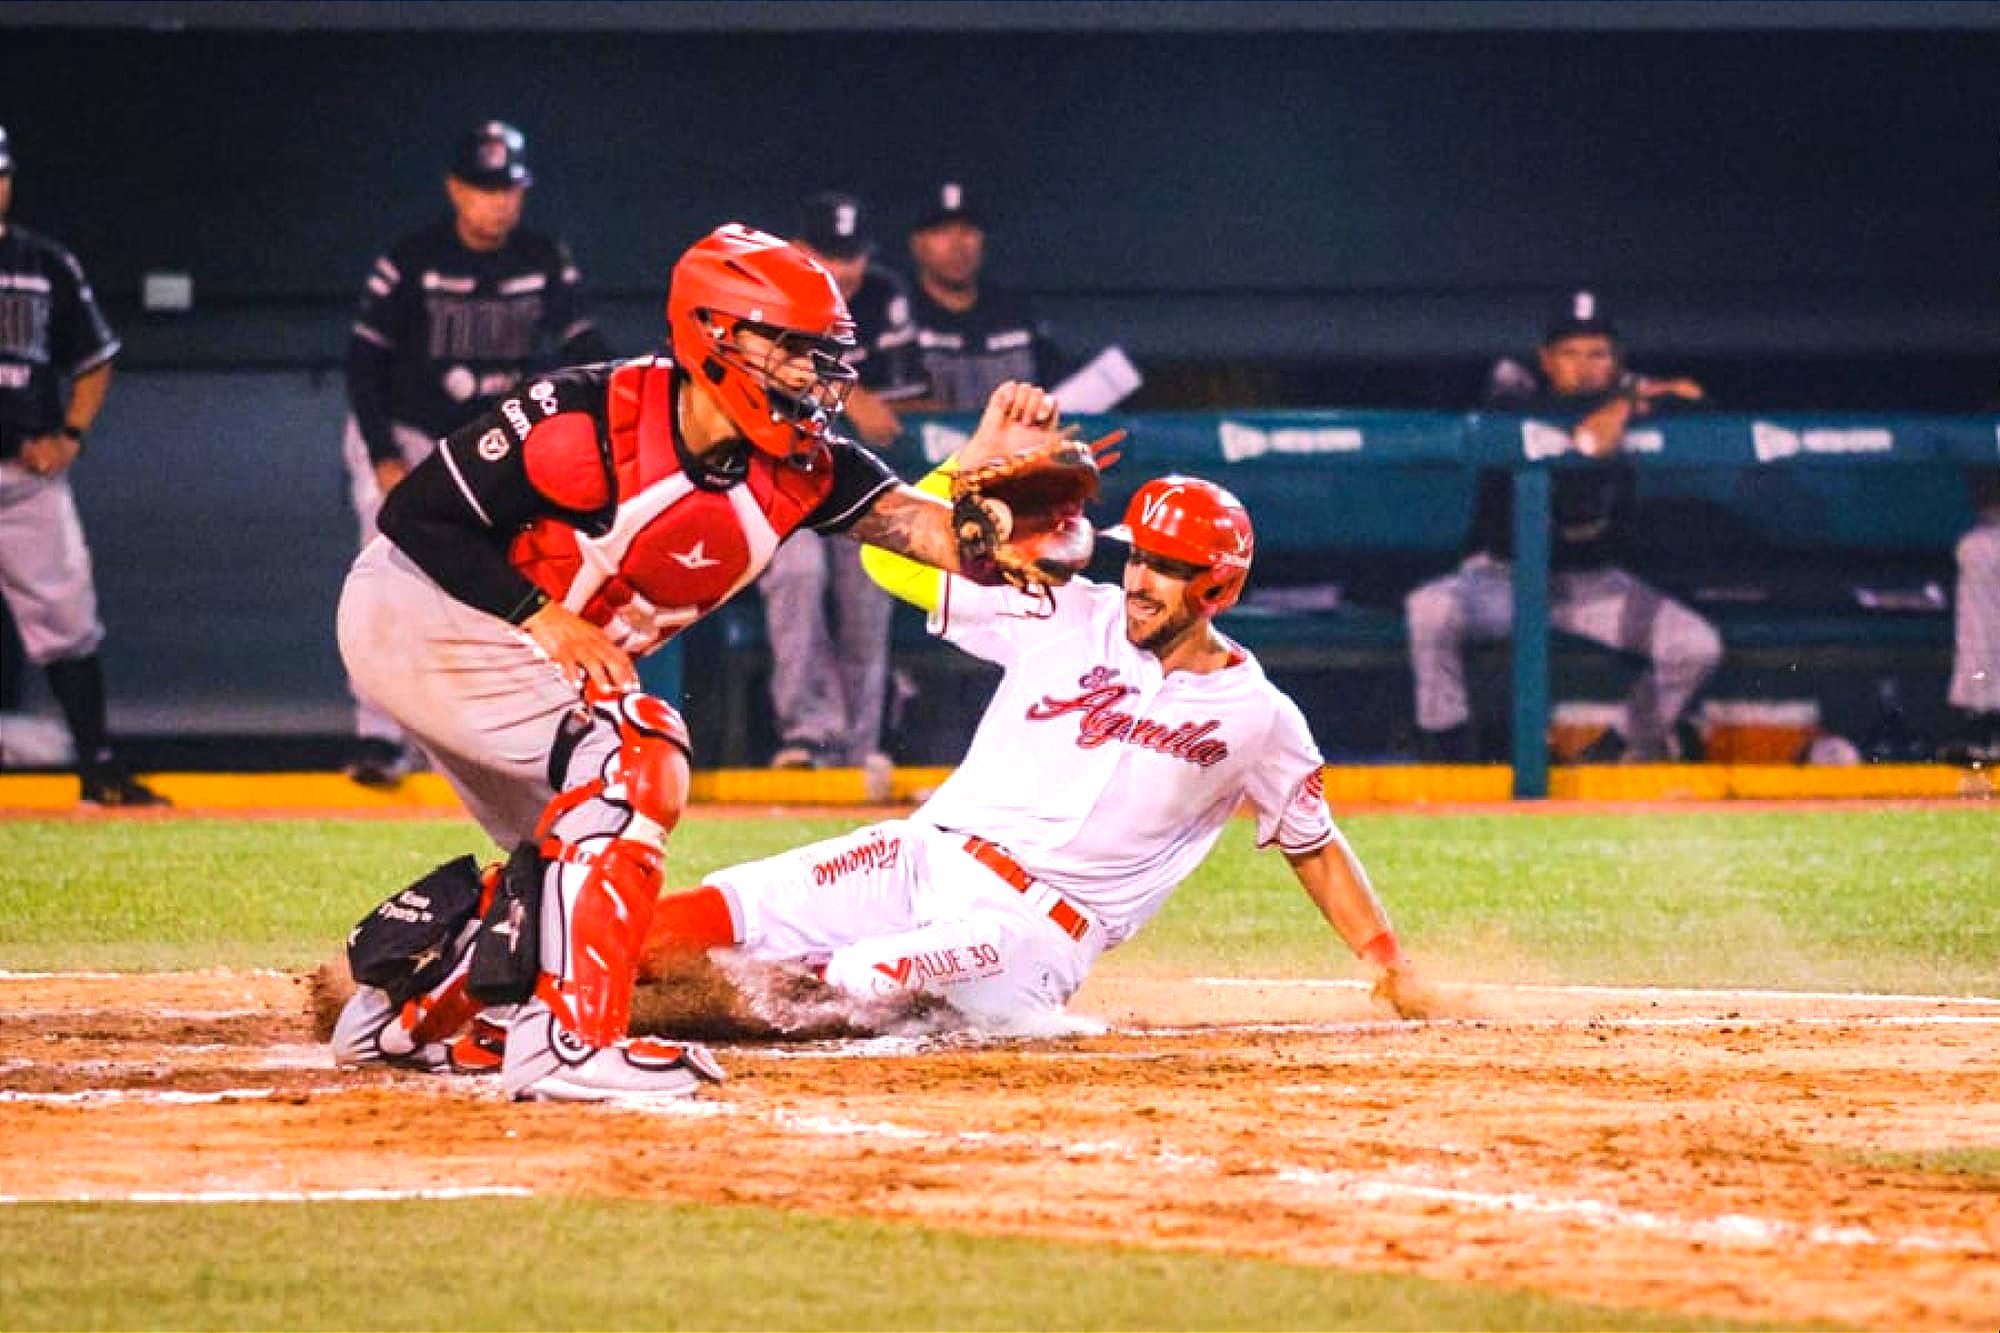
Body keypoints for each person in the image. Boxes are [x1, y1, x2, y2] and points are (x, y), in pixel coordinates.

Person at [329, 222, 1072, 1102]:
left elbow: (924, 531)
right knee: (638, 754)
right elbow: (414, 515)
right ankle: (568, 1044)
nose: (813, 376)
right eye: (794, 351)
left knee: (576, 862)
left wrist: (982, 478)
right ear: (719, 337)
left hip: (512, 652)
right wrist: (544, 616)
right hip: (426, 611)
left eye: (818, 356)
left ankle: (404, 1019)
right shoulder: (588, 417)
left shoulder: (802, 465)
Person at [636, 474, 1434, 1032]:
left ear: (1217, 590)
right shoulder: (1063, 611)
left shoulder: (1258, 716)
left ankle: (660, 1009)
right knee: (717, 909)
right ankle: (539, 960)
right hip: (918, 854)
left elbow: (1315, 846)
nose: (1141, 578)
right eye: (1138, 557)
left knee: (863, 978)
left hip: (1032, 931)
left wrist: (1388, 957)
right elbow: (886, 556)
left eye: (1166, 567)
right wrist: (977, 451)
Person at [339, 119, 609, 787]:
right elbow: (363, 361)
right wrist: (380, 452)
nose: (499, 202)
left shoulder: (542, 256)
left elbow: (586, 347)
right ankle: (378, 739)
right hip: (407, 432)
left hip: (494, 443)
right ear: (456, 189)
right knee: (387, 577)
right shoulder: (413, 256)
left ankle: (470, 736)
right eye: (486, 188)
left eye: (510, 188)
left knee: (495, 576)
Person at [1406, 291, 1721, 763]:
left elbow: (1698, 403)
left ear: (1617, 361)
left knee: (1696, 645)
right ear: (1546, 359)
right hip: (1502, 580)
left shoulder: (1626, 401)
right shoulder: (1515, 400)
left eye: (1598, 353)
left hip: (1591, 587)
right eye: (1570, 353)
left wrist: (1629, 401)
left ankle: (1614, 750)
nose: (1585, 366)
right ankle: (1448, 755)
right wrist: (1622, 408)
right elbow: (1584, 439)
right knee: (1428, 610)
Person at [0, 124, 167, 807]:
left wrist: (70, 432)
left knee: (68, 617)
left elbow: (95, 357)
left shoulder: (43, 263)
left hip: (26, 475)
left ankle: (98, 769)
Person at [760, 191, 924, 772]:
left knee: (867, 590)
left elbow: (906, 403)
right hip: (783, 476)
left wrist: (852, 402)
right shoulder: (769, 293)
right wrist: (852, 394)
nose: (844, 268)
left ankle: (857, 747)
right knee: (798, 575)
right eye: (829, 253)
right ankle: (809, 734)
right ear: (799, 250)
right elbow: (762, 383)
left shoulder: (882, 295)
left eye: (851, 253)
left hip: (854, 474)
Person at [901, 182, 1070, 411]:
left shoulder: (1014, 312)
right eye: (941, 233)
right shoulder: (896, 314)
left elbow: (1062, 390)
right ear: (917, 244)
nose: (957, 246)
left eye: (968, 231)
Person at [1939, 466, 2000, 765]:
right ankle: (1983, 743)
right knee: (1981, 681)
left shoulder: (1976, 543)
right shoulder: (1977, 543)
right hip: (1982, 628)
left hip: (1985, 629)